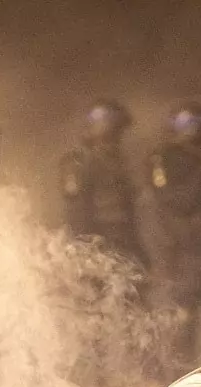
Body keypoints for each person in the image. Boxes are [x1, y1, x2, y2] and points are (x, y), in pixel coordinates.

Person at [146, 103, 201, 364]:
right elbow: (177, 200)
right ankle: (180, 371)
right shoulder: (167, 158)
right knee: (184, 316)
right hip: (182, 250)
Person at [59, 101, 144, 266]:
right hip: (95, 243)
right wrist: (86, 247)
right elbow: (76, 208)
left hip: (123, 241)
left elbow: (129, 211)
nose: (117, 134)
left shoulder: (119, 164)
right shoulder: (78, 161)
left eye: (118, 128)